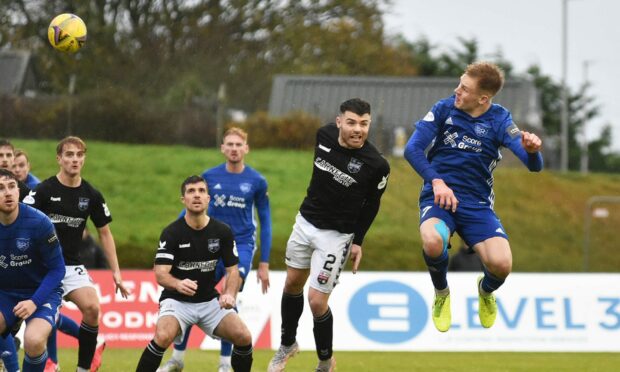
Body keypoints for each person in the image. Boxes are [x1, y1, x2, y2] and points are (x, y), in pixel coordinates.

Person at [404, 61, 543, 332]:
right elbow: (413, 149)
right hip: (439, 197)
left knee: (502, 265)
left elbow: (534, 166)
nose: (457, 91)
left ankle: (486, 290)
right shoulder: (444, 109)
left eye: (464, 89)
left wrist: (533, 149)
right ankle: (442, 293)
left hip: (477, 205)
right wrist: (437, 182)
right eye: (459, 84)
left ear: (483, 98)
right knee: (433, 241)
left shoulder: (500, 119)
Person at [268, 98, 390, 372]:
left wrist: (358, 241)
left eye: (364, 124)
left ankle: (325, 361)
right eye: (351, 122)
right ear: (339, 122)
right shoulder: (323, 136)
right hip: (305, 222)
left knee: (317, 300)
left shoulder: (377, 165)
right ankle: (287, 344)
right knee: (291, 284)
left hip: (337, 236)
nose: (358, 129)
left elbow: (372, 205)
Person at [159, 127, 271, 372]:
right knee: (192, 294)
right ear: (222, 148)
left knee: (228, 295)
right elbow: (191, 210)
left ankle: (225, 363)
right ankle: (177, 359)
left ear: (246, 149)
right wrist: (174, 236)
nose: (233, 148)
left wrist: (264, 262)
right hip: (209, 244)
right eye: (229, 144)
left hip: (240, 245)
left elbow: (265, 220)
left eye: (238, 144)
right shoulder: (209, 176)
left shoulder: (257, 181)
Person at [24, 136, 131, 372]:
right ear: (59, 159)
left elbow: (105, 233)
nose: (75, 159)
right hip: (41, 268)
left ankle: (83, 369)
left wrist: (116, 272)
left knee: (92, 308)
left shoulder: (91, 194)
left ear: (84, 159)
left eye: (79, 155)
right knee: (38, 331)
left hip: (71, 266)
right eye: (69, 155)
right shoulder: (43, 190)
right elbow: (23, 224)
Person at [136, 175, 253, 372]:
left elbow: (232, 271)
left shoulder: (222, 231)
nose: (196, 195)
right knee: (163, 336)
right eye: (191, 191)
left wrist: (229, 294)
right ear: (184, 200)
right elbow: (160, 273)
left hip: (209, 302)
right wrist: (177, 284)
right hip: (176, 301)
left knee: (243, 336)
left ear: (208, 198)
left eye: (201, 191)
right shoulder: (171, 233)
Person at [0, 168, 66, 372]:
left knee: (34, 340)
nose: (8, 192)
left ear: (19, 191)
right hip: (6, 292)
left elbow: (58, 269)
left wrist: (33, 301)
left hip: (41, 292)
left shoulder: (39, 222)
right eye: (1, 188)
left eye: (12, 187)